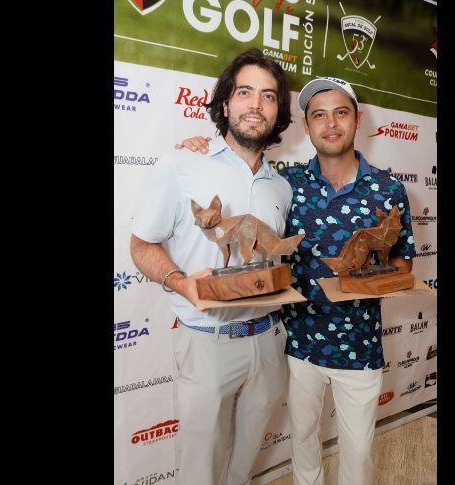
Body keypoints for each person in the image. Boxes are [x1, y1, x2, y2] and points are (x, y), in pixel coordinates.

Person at [178, 76, 417, 485]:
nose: (330, 124)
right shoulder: (287, 184)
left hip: (359, 348)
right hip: (298, 344)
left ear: (357, 119)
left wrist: (361, 279)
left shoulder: (388, 189)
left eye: (340, 113)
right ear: (306, 126)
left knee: (357, 455)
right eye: (318, 115)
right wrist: (196, 150)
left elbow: (403, 266)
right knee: (303, 447)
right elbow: (238, 184)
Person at [130, 48, 294, 485]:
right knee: (200, 472)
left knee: (242, 467)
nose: (255, 105)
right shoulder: (183, 164)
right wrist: (183, 284)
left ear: (278, 113)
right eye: (244, 92)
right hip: (207, 344)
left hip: (269, 343)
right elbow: (141, 245)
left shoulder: (283, 186)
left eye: (268, 96)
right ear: (225, 104)